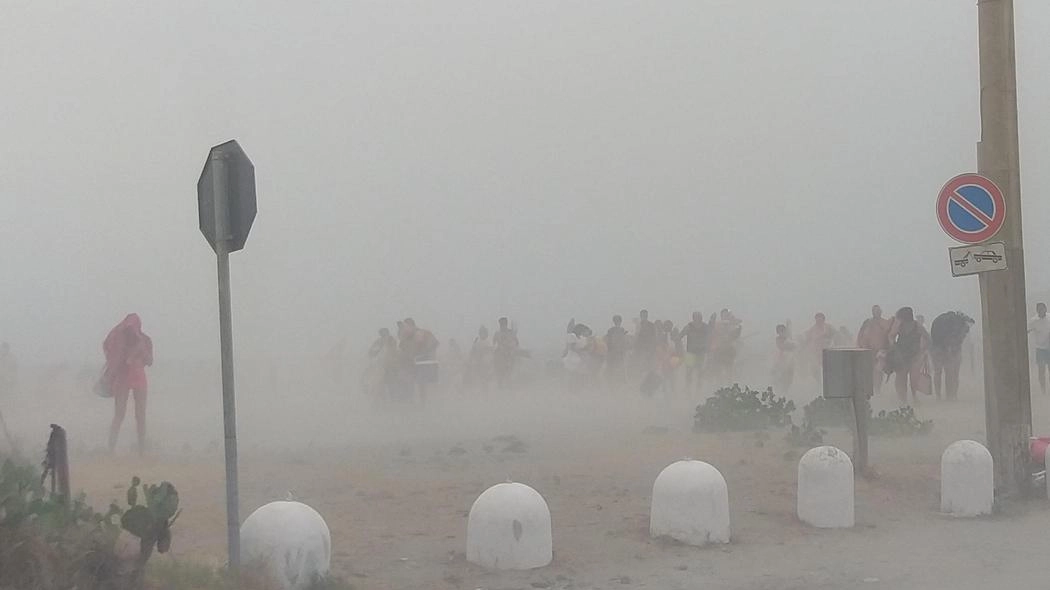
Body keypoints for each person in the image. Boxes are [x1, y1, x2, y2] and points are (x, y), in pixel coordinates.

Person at [103, 314, 153, 455]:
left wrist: (141, 351)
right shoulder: (119, 341)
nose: (130, 331)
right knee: (119, 414)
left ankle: (141, 449)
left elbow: (150, 361)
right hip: (123, 379)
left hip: (138, 378)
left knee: (140, 415)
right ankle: (111, 449)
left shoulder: (145, 340)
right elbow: (113, 357)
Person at [886, 307, 929, 406]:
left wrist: (923, 350)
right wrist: (893, 346)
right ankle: (902, 400)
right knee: (901, 377)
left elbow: (926, 337)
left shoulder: (917, 326)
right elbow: (891, 336)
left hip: (915, 356)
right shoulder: (899, 326)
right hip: (901, 355)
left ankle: (914, 396)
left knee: (914, 378)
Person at [930, 311, 975, 400]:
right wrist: (950, 350)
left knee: (938, 372)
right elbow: (957, 341)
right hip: (950, 349)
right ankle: (951, 395)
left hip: (936, 349)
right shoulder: (959, 326)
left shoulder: (942, 324)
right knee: (951, 373)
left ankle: (938, 396)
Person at [399, 318, 439, 403]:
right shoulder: (405, 336)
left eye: (406, 326)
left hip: (421, 363)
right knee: (409, 382)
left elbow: (435, 344)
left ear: (411, 325)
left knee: (421, 383)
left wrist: (424, 353)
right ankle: (411, 401)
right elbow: (402, 348)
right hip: (410, 363)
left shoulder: (423, 333)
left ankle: (422, 403)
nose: (404, 329)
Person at [857, 305, 891, 391]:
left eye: (878, 311)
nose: (877, 312)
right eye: (875, 311)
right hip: (867, 351)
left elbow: (890, 336)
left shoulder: (885, 323)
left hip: (880, 351)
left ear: (881, 312)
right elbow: (860, 335)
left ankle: (877, 389)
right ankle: (869, 389)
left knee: (878, 371)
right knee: (868, 371)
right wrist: (859, 346)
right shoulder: (867, 322)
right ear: (872, 312)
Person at [800, 313, 836, 382]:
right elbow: (807, 339)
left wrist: (828, 337)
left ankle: (830, 381)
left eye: (820, 319)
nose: (819, 321)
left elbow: (835, 335)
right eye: (817, 320)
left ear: (823, 319)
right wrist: (802, 348)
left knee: (828, 369)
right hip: (816, 352)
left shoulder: (828, 327)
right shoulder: (813, 329)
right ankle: (820, 383)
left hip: (828, 352)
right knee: (814, 369)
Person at [680, 312, 709, 394]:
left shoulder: (705, 327)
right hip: (690, 353)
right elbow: (680, 335)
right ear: (693, 318)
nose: (699, 318)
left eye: (699, 317)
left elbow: (710, 336)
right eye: (697, 317)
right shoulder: (689, 327)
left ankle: (698, 388)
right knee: (689, 371)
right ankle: (688, 387)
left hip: (700, 352)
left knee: (699, 371)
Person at [365, 328, 399, 400]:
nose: (384, 336)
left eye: (384, 334)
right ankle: (383, 399)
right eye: (382, 335)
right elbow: (371, 352)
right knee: (381, 383)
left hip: (390, 366)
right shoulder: (378, 341)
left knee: (390, 383)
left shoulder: (392, 341)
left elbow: (394, 352)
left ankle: (391, 398)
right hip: (381, 366)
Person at [492, 317, 520, 389]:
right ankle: (500, 384)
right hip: (499, 355)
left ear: (506, 324)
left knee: (510, 370)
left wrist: (511, 347)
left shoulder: (511, 332)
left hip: (509, 354)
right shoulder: (497, 333)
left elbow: (516, 342)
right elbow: (493, 343)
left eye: (504, 324)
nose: (502, 326)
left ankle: (508, 384)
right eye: (501, 324)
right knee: (498, 369)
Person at [465, 326, 495, 392]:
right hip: (478, 364)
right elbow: (472, 352)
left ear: (486, 334)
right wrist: (470, 360)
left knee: (484, 380)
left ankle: (485, 391)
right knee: (479, 379)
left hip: (486, 364)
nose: (482, 334)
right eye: (481, 333)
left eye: (483, 333)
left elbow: (491, 353)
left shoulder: (488, 342)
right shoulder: (477, 342)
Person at [1030, 303, 1050, 395]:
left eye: (1043, 309)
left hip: (1049, 348)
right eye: (1040, 309)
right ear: (1037, 310)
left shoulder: (1049, 317)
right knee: (1041, 371)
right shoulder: (1034, 321)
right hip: (1040, 349)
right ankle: (1043, 390)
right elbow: (1027, 330)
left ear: (1046, 309)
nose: (1042, 311)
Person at [604, 315, 629, 384]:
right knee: (616, 366)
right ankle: (617, 381)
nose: (617, 322)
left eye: (618, 320)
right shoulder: (615, 330)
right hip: (615, 352)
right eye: (616, 320)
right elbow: (609, 341)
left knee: (618, 366)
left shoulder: (617, 330)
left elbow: (623, 341)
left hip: (617, 352)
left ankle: (620, 380)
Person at [772, 323, 796, 393]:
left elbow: (795, 346)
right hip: (781, 359)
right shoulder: (778, 339)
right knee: (779, 376)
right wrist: (789, 344)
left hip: (790, 360)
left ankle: (785, 391)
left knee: (789, 378)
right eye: (780, 331)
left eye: (782, 330)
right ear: (778, 332)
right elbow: (781, 346)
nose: (781, 332)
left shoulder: (789, 338)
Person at [633, 310, 657, 375]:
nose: (644, 317)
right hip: (640, 350)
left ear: (647, 316)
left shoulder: (651, 325)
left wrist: (653, 349)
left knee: (649, 367)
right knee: (641, 367)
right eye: (643, 315)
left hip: (649, 350)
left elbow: (654, 338)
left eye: (645, 315)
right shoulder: (639, 325)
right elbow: (636, 337)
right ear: (641, 316)